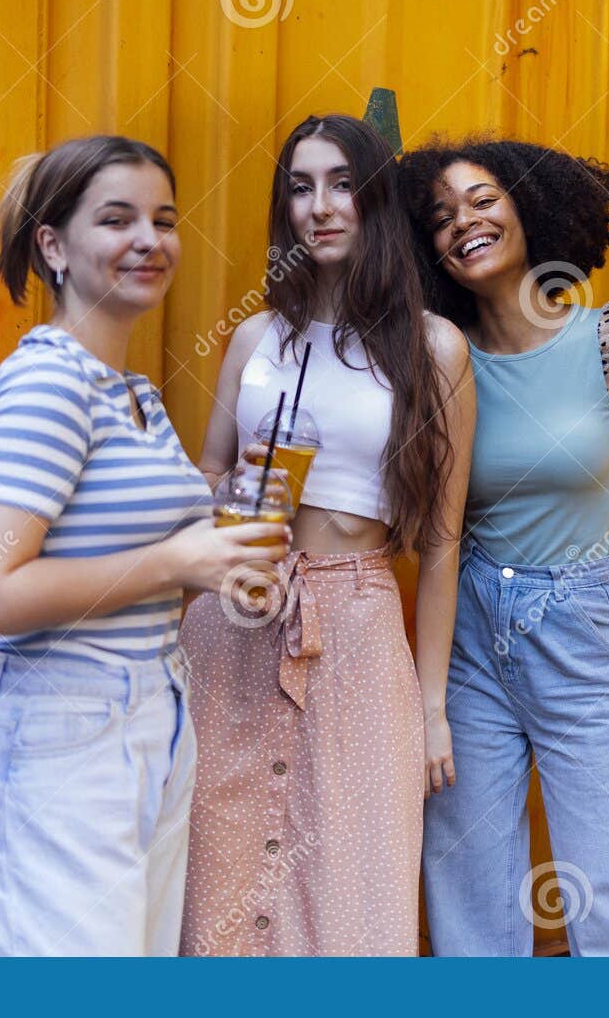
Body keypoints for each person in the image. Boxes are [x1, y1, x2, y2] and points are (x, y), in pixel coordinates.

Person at [0, 135, 289, 956]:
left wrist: (217, 558)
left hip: (152, 720)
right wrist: (178, 560)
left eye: (164, 220)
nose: (149, 239)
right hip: (68, 732)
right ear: (53, 246)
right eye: (117, 219)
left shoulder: (134, 395)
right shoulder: (47, 382)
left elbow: (137, 574)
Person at [399, 136, 609, 956]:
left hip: (577, 621)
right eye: (441, 217)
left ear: (528, 206)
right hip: (469, 631)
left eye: (482, 200)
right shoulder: (437, 356)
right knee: (468, 887)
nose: (464, 224)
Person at [181, 114, 474, 955]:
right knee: (220, 877)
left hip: (355, 621)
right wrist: (230, 520)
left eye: (343, 182)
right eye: (301, 187)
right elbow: (207, 473)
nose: (321, 205)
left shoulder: (434, 349)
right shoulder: (255, 338)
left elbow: (445, 540)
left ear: (376, 197)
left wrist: (432, 706)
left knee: (353, 880)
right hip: (234, 618)